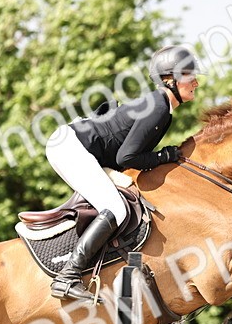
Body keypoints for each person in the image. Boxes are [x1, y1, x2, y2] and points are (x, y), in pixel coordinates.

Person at [45, 44, 202, 301]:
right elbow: (126, 157)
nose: (195, 81)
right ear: (169, 80)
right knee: (116, 208)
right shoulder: (159, 107)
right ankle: (67, 276)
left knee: (126, 197)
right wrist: (166, 156)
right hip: (70, 147)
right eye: (188, 75)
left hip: (78, 147)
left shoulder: (162, 106)